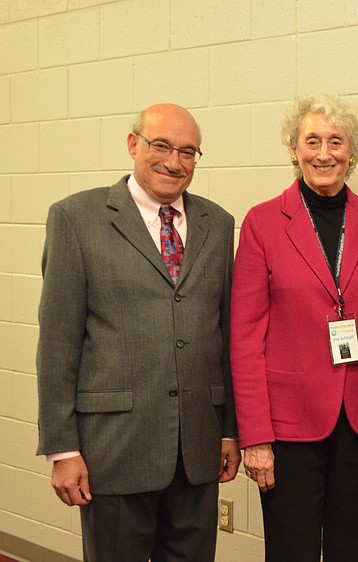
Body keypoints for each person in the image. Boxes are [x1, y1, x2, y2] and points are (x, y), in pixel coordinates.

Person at [36, 103, 241, 561]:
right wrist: (61, 448)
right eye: (161, 146)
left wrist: (229, 430)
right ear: (133, 145)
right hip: (114, 450)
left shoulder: (218, 223)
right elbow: (57, 343)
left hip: (197, 451)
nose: (174, 161)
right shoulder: (76, 218)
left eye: (188, 152)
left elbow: (224, 333)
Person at [230, 94, 358, 562]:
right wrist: (254, 435)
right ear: (294, 150)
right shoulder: (262, 223)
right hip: (288, 428)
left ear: (351, 152)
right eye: (312, 141)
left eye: (335, 141)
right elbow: (244, 338)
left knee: (355, 549)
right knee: (291, 551)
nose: (324, 153)